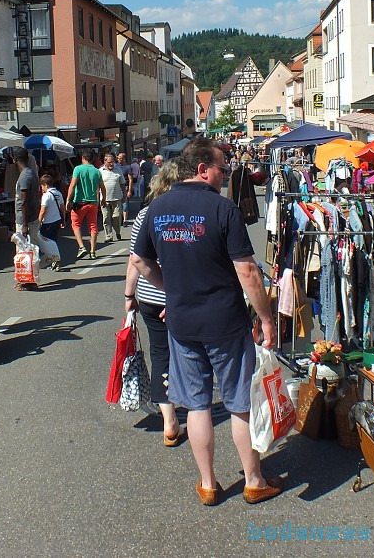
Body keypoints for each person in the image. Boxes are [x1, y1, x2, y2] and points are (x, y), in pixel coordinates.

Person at [130, 138, 282, 506]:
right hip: (225, 321)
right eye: (222, 169)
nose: (225, 175)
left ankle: (209, 484)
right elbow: (246, 270)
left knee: (197, 405)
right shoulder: (222, 209)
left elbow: (139, 261)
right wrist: (265, 318)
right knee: (238, 403)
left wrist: (172, 290)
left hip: (182, 322)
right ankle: (253, 480)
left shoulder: (157, 208)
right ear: (203, 169)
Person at [123, 161, 182, 447]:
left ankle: (170, 421)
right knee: (187, 352)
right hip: (183, 296)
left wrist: (128, 295)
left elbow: (136, 259)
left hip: (149, 295)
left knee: (160, 353)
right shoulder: (188, 215)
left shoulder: (145, 214)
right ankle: (194, 407)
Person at [66, 150, 105, 260]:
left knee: (76, 224)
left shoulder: (78, 169)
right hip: (93, 203)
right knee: (93, 226)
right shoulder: (97, 171)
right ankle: (93, 251)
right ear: (92, 159)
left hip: (80, 202)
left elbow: (73, 185)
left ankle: (82, 246)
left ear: (83, 158)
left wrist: (68, 200)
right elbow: (102, 187)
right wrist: (104, 199)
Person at [13, 147, 41, 247]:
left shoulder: (24, 177)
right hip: (33, 218)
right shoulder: (32, 174)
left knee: (24, 253)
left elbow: (24, 202)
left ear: (15, 159)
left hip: (25, 220)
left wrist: (24, 225)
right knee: (32, 251)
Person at [38, 175, 65, 271]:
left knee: (43, 242)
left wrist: (38, 222)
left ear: (45, 185)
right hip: (57, 220)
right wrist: (64, 219)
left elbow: (43, 211)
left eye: (42, 186)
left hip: (48, 222)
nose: (41, 189)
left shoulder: (46, 195)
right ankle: (55, 262)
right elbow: (62, 207)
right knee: (53, 241)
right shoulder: (58, 193)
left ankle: (51, 260)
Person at [99, 154, 127, 243]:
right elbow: (97, 186)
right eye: (109, 162)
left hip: (116, 197)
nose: (112, 164)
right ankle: (108, 236)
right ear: (105, 162)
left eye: (113, 162)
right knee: (106, 218)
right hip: (104, 199)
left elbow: (122, 183)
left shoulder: (118, 170)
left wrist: (125, 194)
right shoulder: (100, 171)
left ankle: (117, 232)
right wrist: (97, 198)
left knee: (117, 217)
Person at [116, 152, 136, 224]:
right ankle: (120, 218)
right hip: (118, 187)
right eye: (118, 158)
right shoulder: (117, 166)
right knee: (119, 204)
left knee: (125, 204)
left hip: (126, 186)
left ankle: (124, 220)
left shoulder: (128, 167)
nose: (118, 159)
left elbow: (130, 179)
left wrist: (130, 190)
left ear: (124, 159)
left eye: (120, 158)